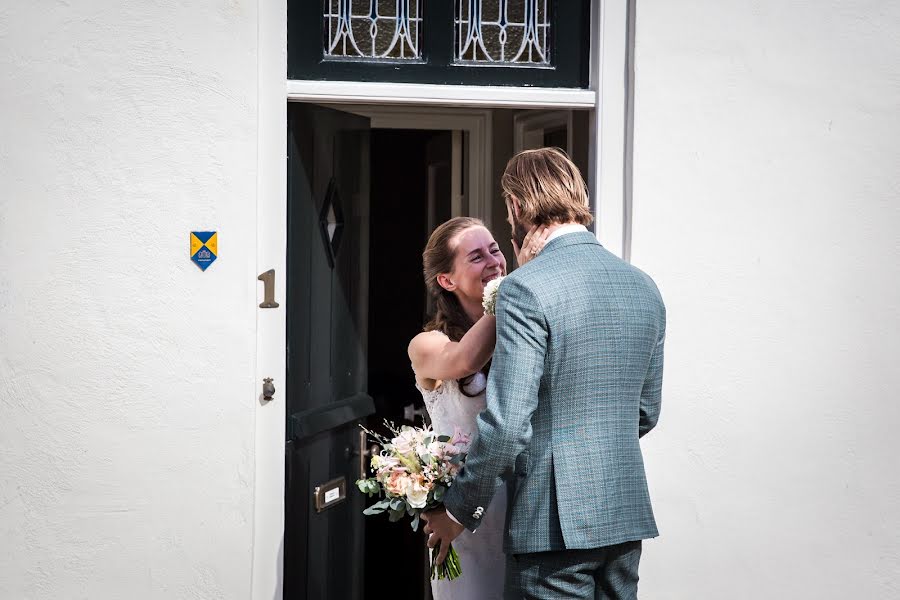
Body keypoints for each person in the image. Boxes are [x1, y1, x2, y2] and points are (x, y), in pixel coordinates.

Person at [422, 148, 666, 599]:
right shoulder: (643, 286)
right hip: (623, 514)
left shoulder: (525, 287)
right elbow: (645, 413)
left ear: (515, 206)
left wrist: (457, 510)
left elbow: (509, 423)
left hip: (551, 527)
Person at [409, 216, 549, 600]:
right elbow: (465, 360)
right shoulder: (427, 344)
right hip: (467, 516)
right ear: (446, 280)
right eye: (475, 257)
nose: (493, 261)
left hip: (529, 509)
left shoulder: (525, 332)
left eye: (495, 250)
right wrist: (512, 287)